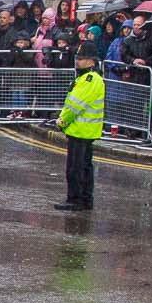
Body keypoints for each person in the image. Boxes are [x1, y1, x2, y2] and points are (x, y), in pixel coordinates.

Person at [52, 47, 104, 212]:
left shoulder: (90, 79)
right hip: (83, 130)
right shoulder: (87, 78)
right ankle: (85, 199)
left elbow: (75, 105)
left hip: (81, 130)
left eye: (82, 58)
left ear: (92, 62)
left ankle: (76, 199)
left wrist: (62, 120)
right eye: (78, 58)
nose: (78, 61)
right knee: (84, 167)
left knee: (76, 168)